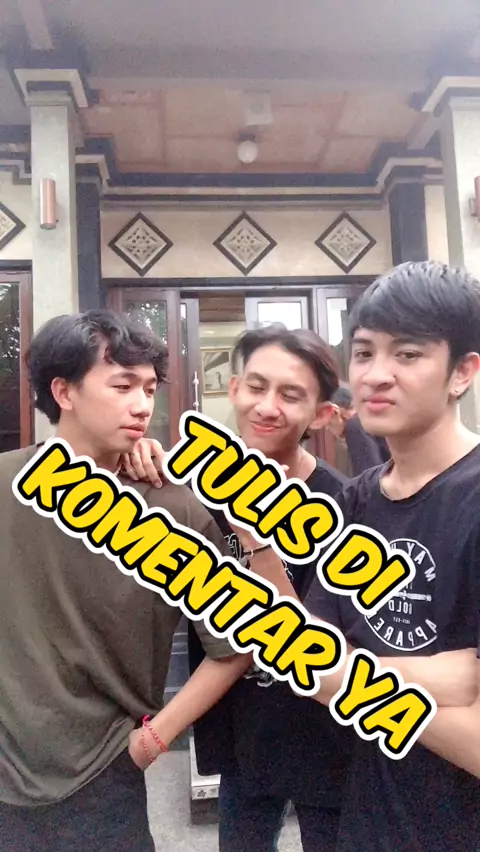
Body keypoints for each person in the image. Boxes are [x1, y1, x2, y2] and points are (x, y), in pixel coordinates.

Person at [0, 309, 260, 852]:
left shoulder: (175, 510)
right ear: (64, 392)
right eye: (122, 386)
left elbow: (235, 646)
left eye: (149, 388)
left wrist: (152, 740)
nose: (143, 405)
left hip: (104, 781)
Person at [127, 325, 355, 852]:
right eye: (256, 386)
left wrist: (257, 536)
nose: (267, 407)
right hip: (241, 732)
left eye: (291, 395)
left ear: (322, 414)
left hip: (327, 736)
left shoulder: (342, 504)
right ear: (233, 389)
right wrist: (135, 454)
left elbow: (315, 646)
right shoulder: (193, 487)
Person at [302, 261, 480, 851]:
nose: (376, 375)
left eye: (407, 354)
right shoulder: (354, 502)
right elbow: (309, 666)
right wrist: (452, 677)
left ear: (462, 373)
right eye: (364, 353)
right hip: (368, 822)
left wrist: (355, 675)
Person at [329, 385, 390, 475]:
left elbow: (368, 474)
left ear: (335, 412)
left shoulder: (355, 426)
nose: (328, 429)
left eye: (329, 424)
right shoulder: (367, 419)